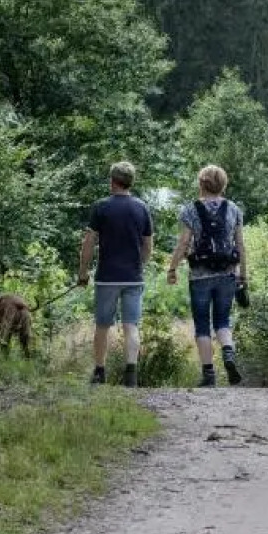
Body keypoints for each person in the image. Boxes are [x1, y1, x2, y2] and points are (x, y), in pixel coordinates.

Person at [166, 164, 247, 387]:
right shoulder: (233, 209)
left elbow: (184, 243)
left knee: (202, 325)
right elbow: (240, 245)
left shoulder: (190, 210)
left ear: (201, 184)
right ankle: (228, 352)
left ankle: (209, 375)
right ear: (223, 184)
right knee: (223, 321)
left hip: (199, 275)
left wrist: (172, 269)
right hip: (227, 273)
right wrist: (243, 275)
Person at [79, 161, 153, 387]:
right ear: (130, 182)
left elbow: (88, 243)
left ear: (113, 181)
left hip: (107, 277)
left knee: (102, 326)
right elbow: (148, 246)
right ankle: (131, 375)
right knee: (131, 325)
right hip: (133, 277)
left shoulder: (101, 207)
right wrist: (139, 265)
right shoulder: (142, 208)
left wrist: (83, 272)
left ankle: (99, 372)